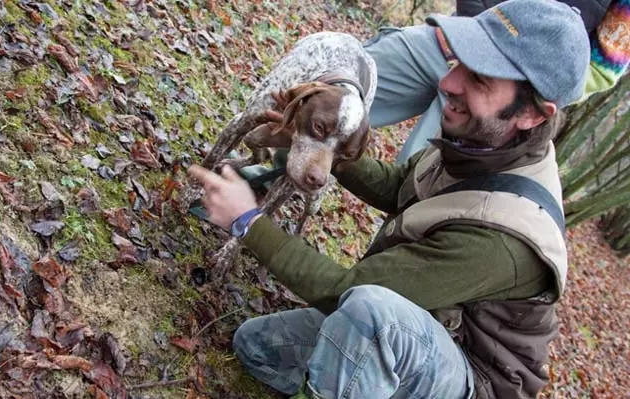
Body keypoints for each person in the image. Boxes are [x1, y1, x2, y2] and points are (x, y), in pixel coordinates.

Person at [187, 0, 589, 397]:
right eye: (459, 62)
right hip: (415, 325)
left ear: (533, 115)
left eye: (480, 80)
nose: (448, 84)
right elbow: (401, 187)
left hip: (467, 377)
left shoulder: (505, 237)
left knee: (369, 314)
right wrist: (329, 152)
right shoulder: (486, 145)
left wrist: (248, 221)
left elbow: (347, 287)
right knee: (256, 348)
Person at [384, 0, 630, 164]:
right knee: (349, 89)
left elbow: (602, 68)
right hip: (447, 37)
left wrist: (511, 81)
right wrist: (473, 42)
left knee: (413, 190)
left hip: (497, 100)